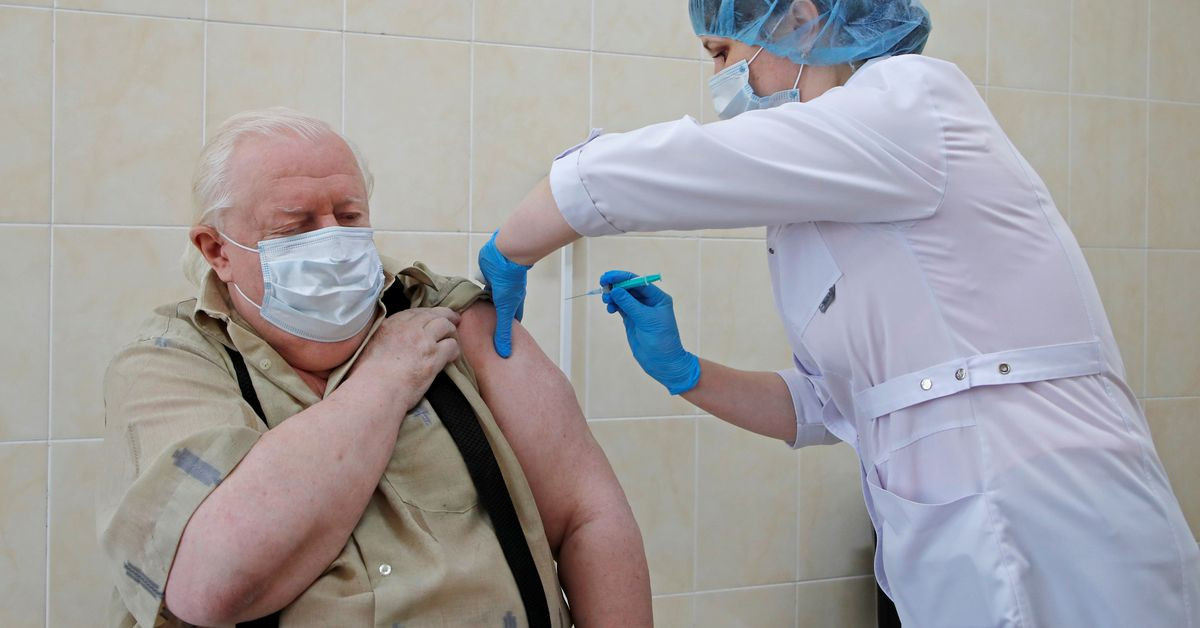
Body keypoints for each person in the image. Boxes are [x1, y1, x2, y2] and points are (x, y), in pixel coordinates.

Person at [476, 1, 1200, 626]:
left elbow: (684, 166)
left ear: (801, 15)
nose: (723, 78)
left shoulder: (910, 105)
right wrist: (687, 370)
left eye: (724, 51)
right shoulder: (820, 204)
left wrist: (518, 241)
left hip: (1050, 504)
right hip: (958, 524)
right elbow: (828, 404)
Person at [97, 108, 652, 627]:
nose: (333, 242)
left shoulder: (453, 318)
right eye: (296, 227)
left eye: (347, 216)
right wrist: (388, 376)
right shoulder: (170, 365)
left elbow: (588, 515)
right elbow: (211, 583)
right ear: (216, 249)